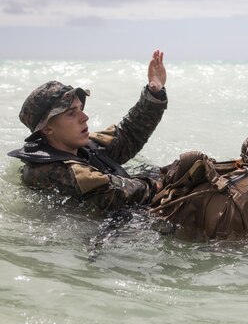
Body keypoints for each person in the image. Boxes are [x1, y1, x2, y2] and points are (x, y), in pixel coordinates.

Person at [8, 50, 169, 212]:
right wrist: (165, 181)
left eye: (80, 109)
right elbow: (118, 194)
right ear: (47, 128)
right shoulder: (51, 172)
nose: (84, 117)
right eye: (71, 113)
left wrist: (154, 92)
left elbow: (126, 137)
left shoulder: (78, 144)